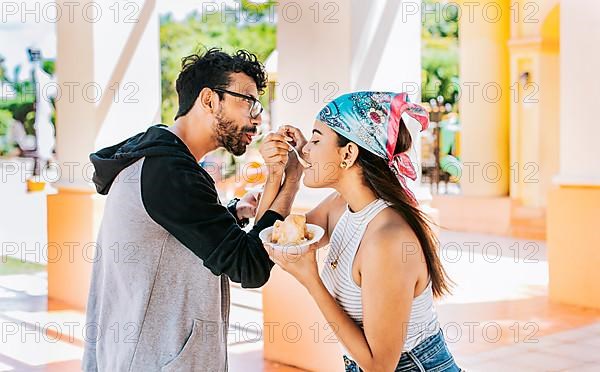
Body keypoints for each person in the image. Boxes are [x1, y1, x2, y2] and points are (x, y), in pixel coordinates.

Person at [82, 48, 304, 371]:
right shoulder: (170, 173)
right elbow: (250, 266)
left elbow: (178, 232)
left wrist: (236, 210)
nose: (258, 116)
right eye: (248, 102)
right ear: (209, 100)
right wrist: (293, 180)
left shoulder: (158, 160)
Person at [262, 92, 461, 371]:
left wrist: (311, 280)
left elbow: (380, 367)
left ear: (348, 154)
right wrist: (281, 175)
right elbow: (270, 239)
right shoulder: (341, 207)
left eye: (316, 140)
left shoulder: (387, 239)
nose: (305, 150)